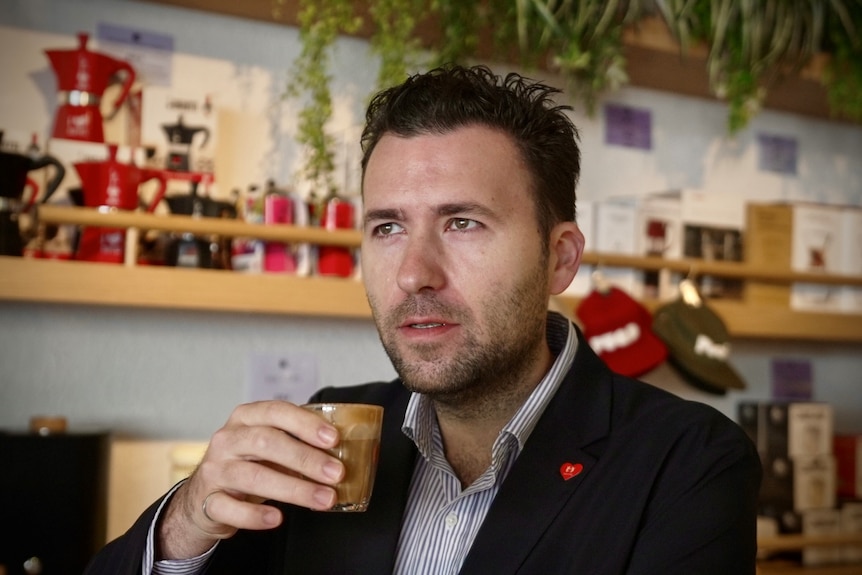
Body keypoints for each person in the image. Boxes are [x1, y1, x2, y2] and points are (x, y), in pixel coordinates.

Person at [85, 65, 761, 575]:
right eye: (387, 226)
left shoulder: (688, 464)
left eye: (462, 222)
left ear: (559, 258)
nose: (413, 272)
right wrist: (185, 524)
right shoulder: (331, 436)